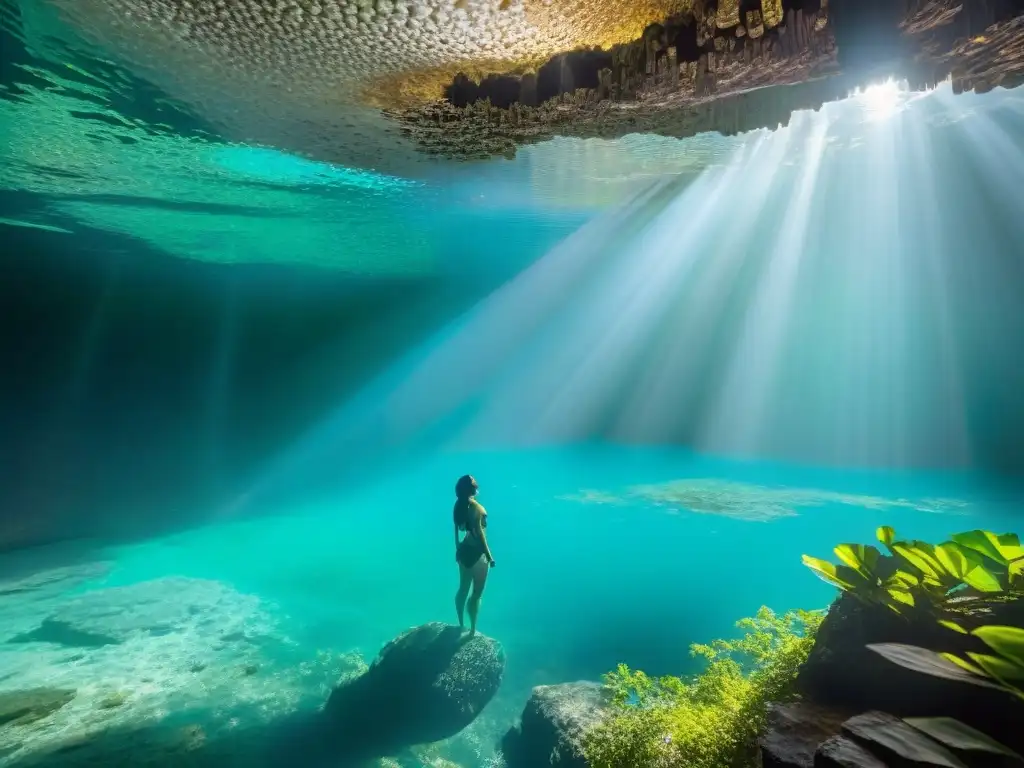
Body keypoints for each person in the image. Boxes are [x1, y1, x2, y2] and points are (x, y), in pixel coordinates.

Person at [453, 474, 495, 636]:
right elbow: (481, 535)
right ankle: (471, 629)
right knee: (476, 594)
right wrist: (490, 557)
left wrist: (458, 551)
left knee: (462, 589)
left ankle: (461, 623)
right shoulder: (477, 508)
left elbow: (457, 531)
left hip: (464, 553)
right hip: (478, 555)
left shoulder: (458, 505)